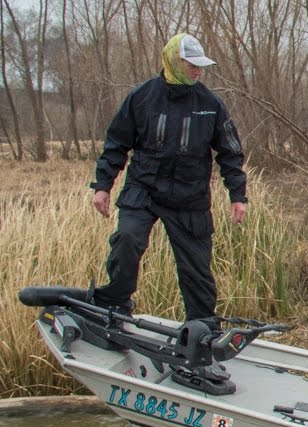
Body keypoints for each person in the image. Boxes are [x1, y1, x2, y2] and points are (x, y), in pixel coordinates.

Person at [89, 32, 247, 333]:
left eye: (201, 66)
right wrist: (103, 185)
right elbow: (116, 144)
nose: (198, 71)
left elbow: (230, 152)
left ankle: (202, 328)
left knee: (196, 267)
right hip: (144, 189)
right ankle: (116, 305)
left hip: (189, 197)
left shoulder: (211, 104)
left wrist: (237, 195)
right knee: (127, 240)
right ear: (174, 61)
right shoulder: (142, 97)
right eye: (191, 65)